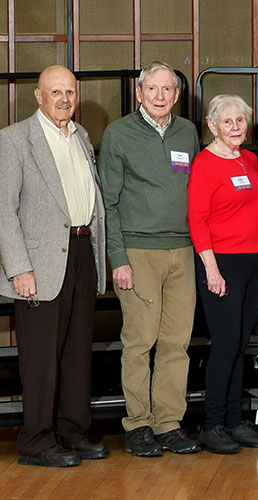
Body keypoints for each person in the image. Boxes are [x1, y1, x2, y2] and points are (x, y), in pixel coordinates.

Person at [0, 65, 109, 467]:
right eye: (56, 92)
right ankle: (35, 441)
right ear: (39, 97)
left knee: (77, 352)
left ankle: (72, 431)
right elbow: (3, 212)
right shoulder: (13, 141)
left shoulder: (79, 136)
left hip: (81, 253)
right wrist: (18, 268)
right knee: (41, 358)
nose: (65, 99)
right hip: (38, 263)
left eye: (70, 92)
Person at [99, 60, 202, 457]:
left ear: (176, 95)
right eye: (153, 89)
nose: (160, 96)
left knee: (176, 343)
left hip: (182, 251)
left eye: (168, 90)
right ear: (139, 93)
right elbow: (107, 202)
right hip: (138, 253)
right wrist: (117, 258)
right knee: (140, 342)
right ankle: (138, 424)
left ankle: (168, 423)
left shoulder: (187, 131)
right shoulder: (118, 134)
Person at [188, 95, 258, 453]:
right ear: (212, 126)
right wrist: (211, 269)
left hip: (252, 264)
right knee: (224, 347)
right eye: (227, 121)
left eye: (240, 120)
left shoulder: (251, 159)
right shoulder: (205, 163)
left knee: (240, 345)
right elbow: (197, 219)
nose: (235, 127)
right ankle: (212, 425)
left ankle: (235, 422)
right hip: (220, 262)